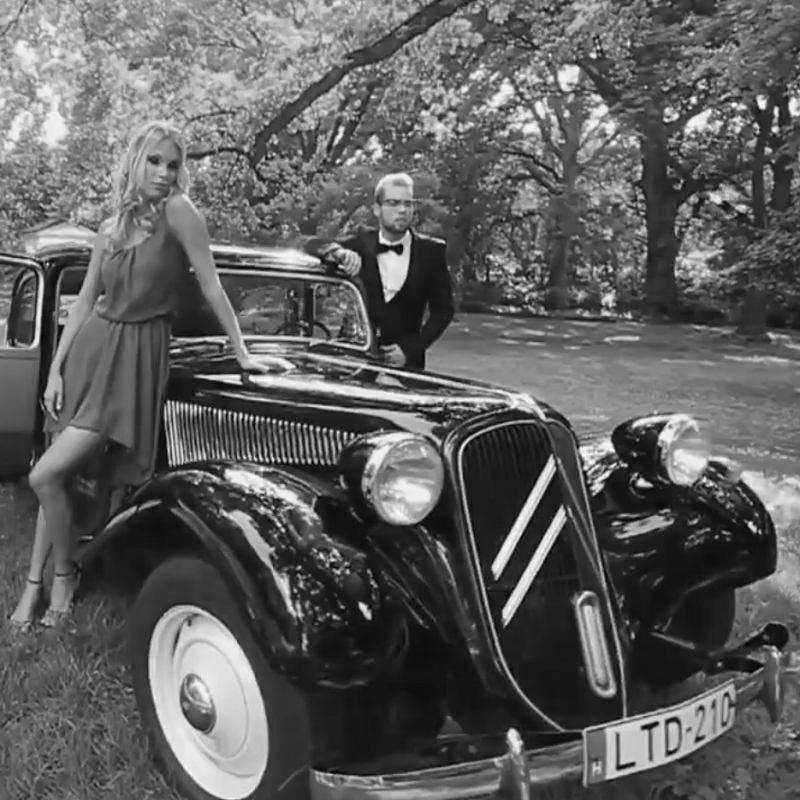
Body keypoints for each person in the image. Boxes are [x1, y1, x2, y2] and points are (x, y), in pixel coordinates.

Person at [8, 120, 270, 632]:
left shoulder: (180, 212)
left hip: (135, 358)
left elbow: (212, 285)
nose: (164, 173)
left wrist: (242, 352)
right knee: (57, 472)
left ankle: (64, 576)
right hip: (91, 352)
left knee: (44, 475)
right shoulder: (110, 228)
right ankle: (33, 585)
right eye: (154, 161)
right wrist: (56, 369)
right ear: (135, 161)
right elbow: (86, 301)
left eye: (173, 164)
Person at [312, 172, 455, 370]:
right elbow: (310, 244)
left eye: (408, 204)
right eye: (394, 203)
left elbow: (443, 311)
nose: (402, 210)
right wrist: (337, 252)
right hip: (355, 362)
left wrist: (411, 349)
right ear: (377, 209)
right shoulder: (360, 242)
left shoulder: (431, 251)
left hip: (406, 367)